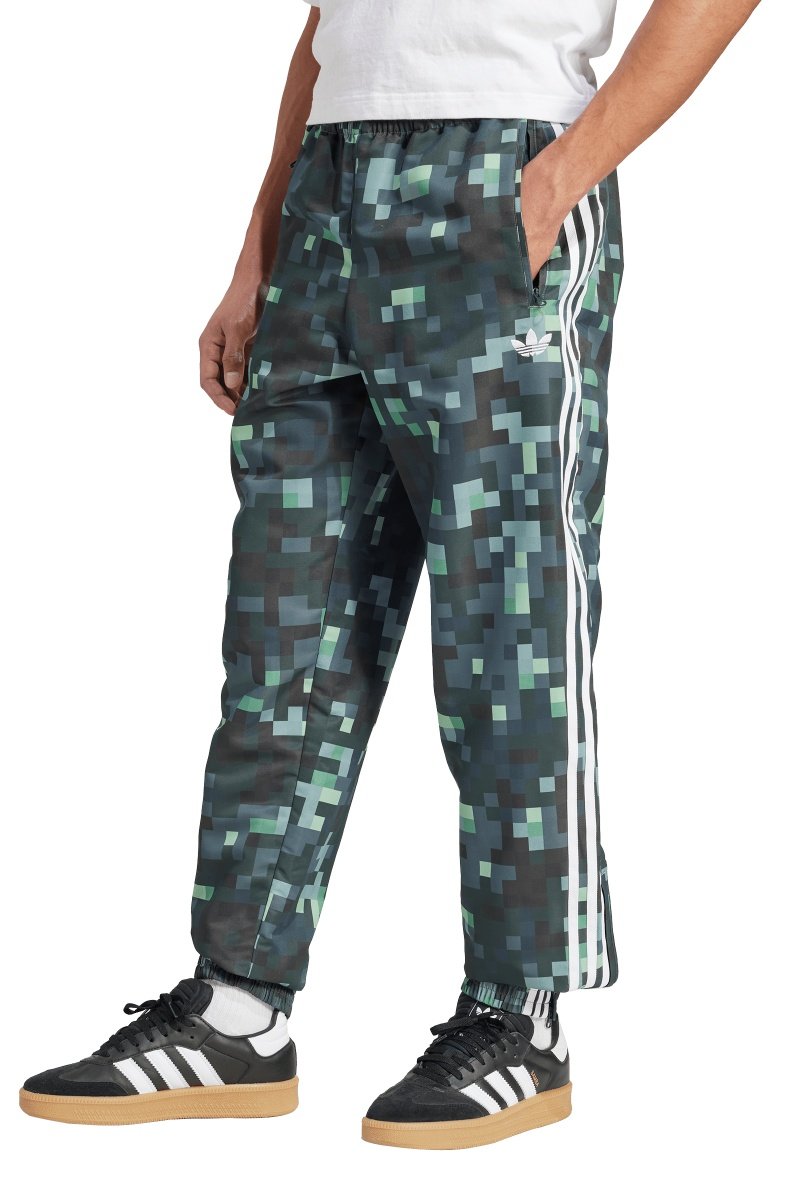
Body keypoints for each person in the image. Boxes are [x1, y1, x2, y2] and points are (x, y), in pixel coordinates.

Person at [20, 0, 760, 1148]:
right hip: (326, 196)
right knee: (282, 640)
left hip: (499, 171)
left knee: (509, 638)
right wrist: (259, 246)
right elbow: (332, 23)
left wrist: (559, 177)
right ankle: (236, 1010)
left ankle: (518, 1015)